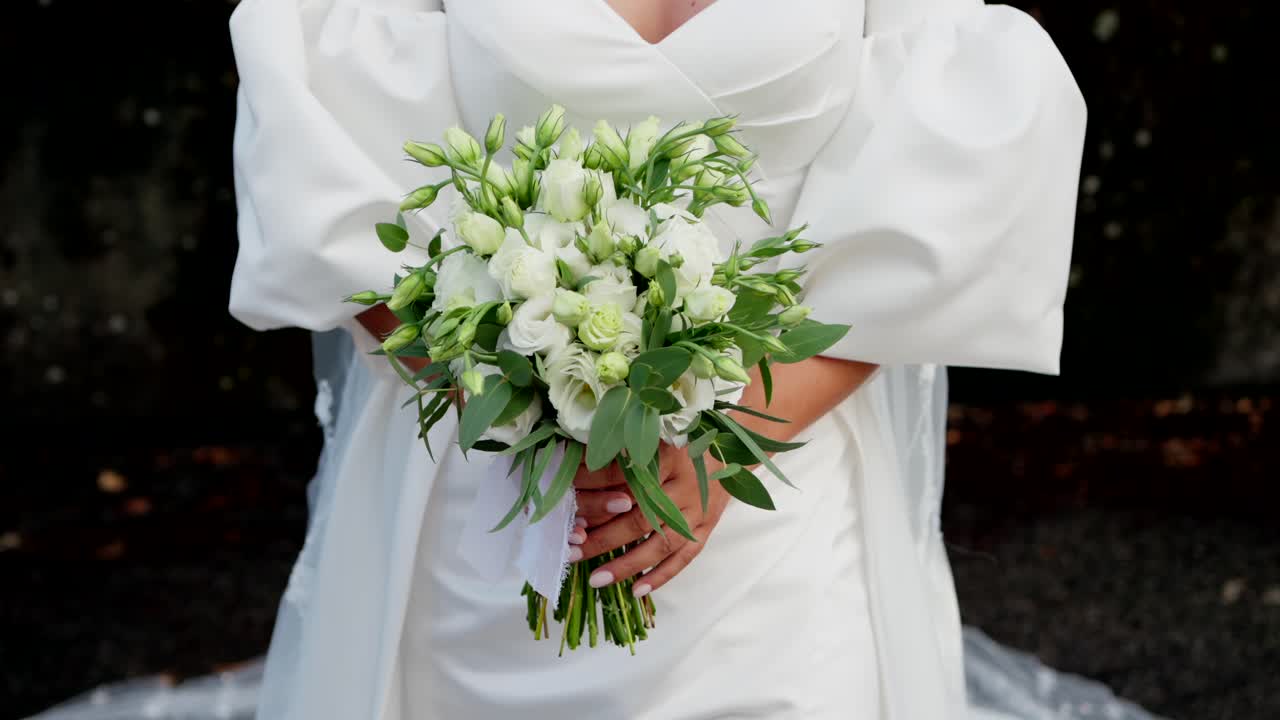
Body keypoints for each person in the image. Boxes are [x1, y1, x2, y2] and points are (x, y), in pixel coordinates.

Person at [227, 0, 1089, 717]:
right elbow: (314, 134)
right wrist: (517, 410)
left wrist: (729, 437)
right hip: (496, 512)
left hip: (775, 527)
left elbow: (943, 189)